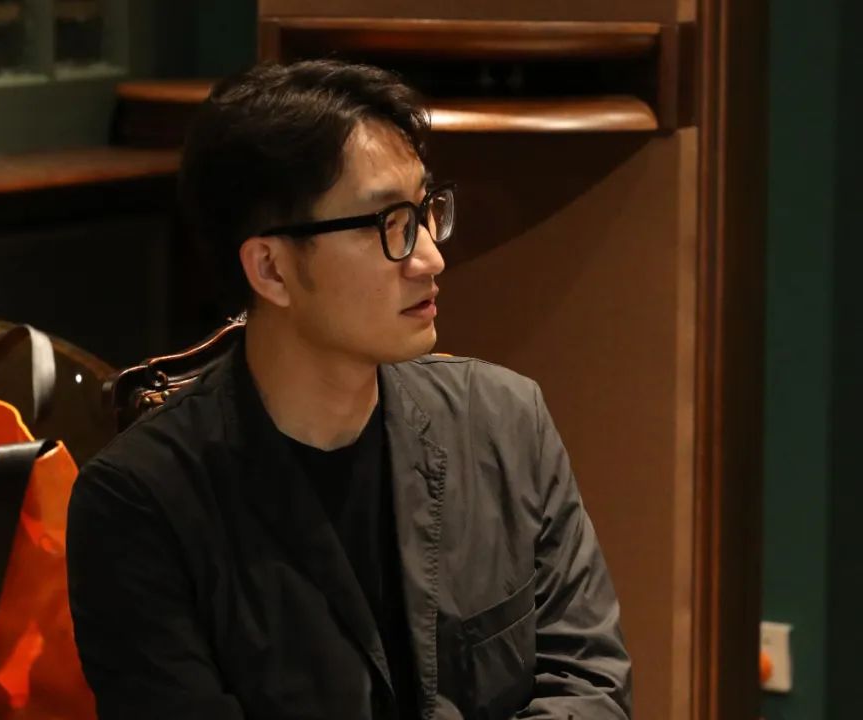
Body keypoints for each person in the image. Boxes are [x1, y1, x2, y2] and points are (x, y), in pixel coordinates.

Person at [66, 59, 632, 720]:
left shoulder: (505, 423)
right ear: (271, 269)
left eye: (424, 210)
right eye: (387, 223)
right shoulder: (140, 506)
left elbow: (591, 684)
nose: (430, 256)